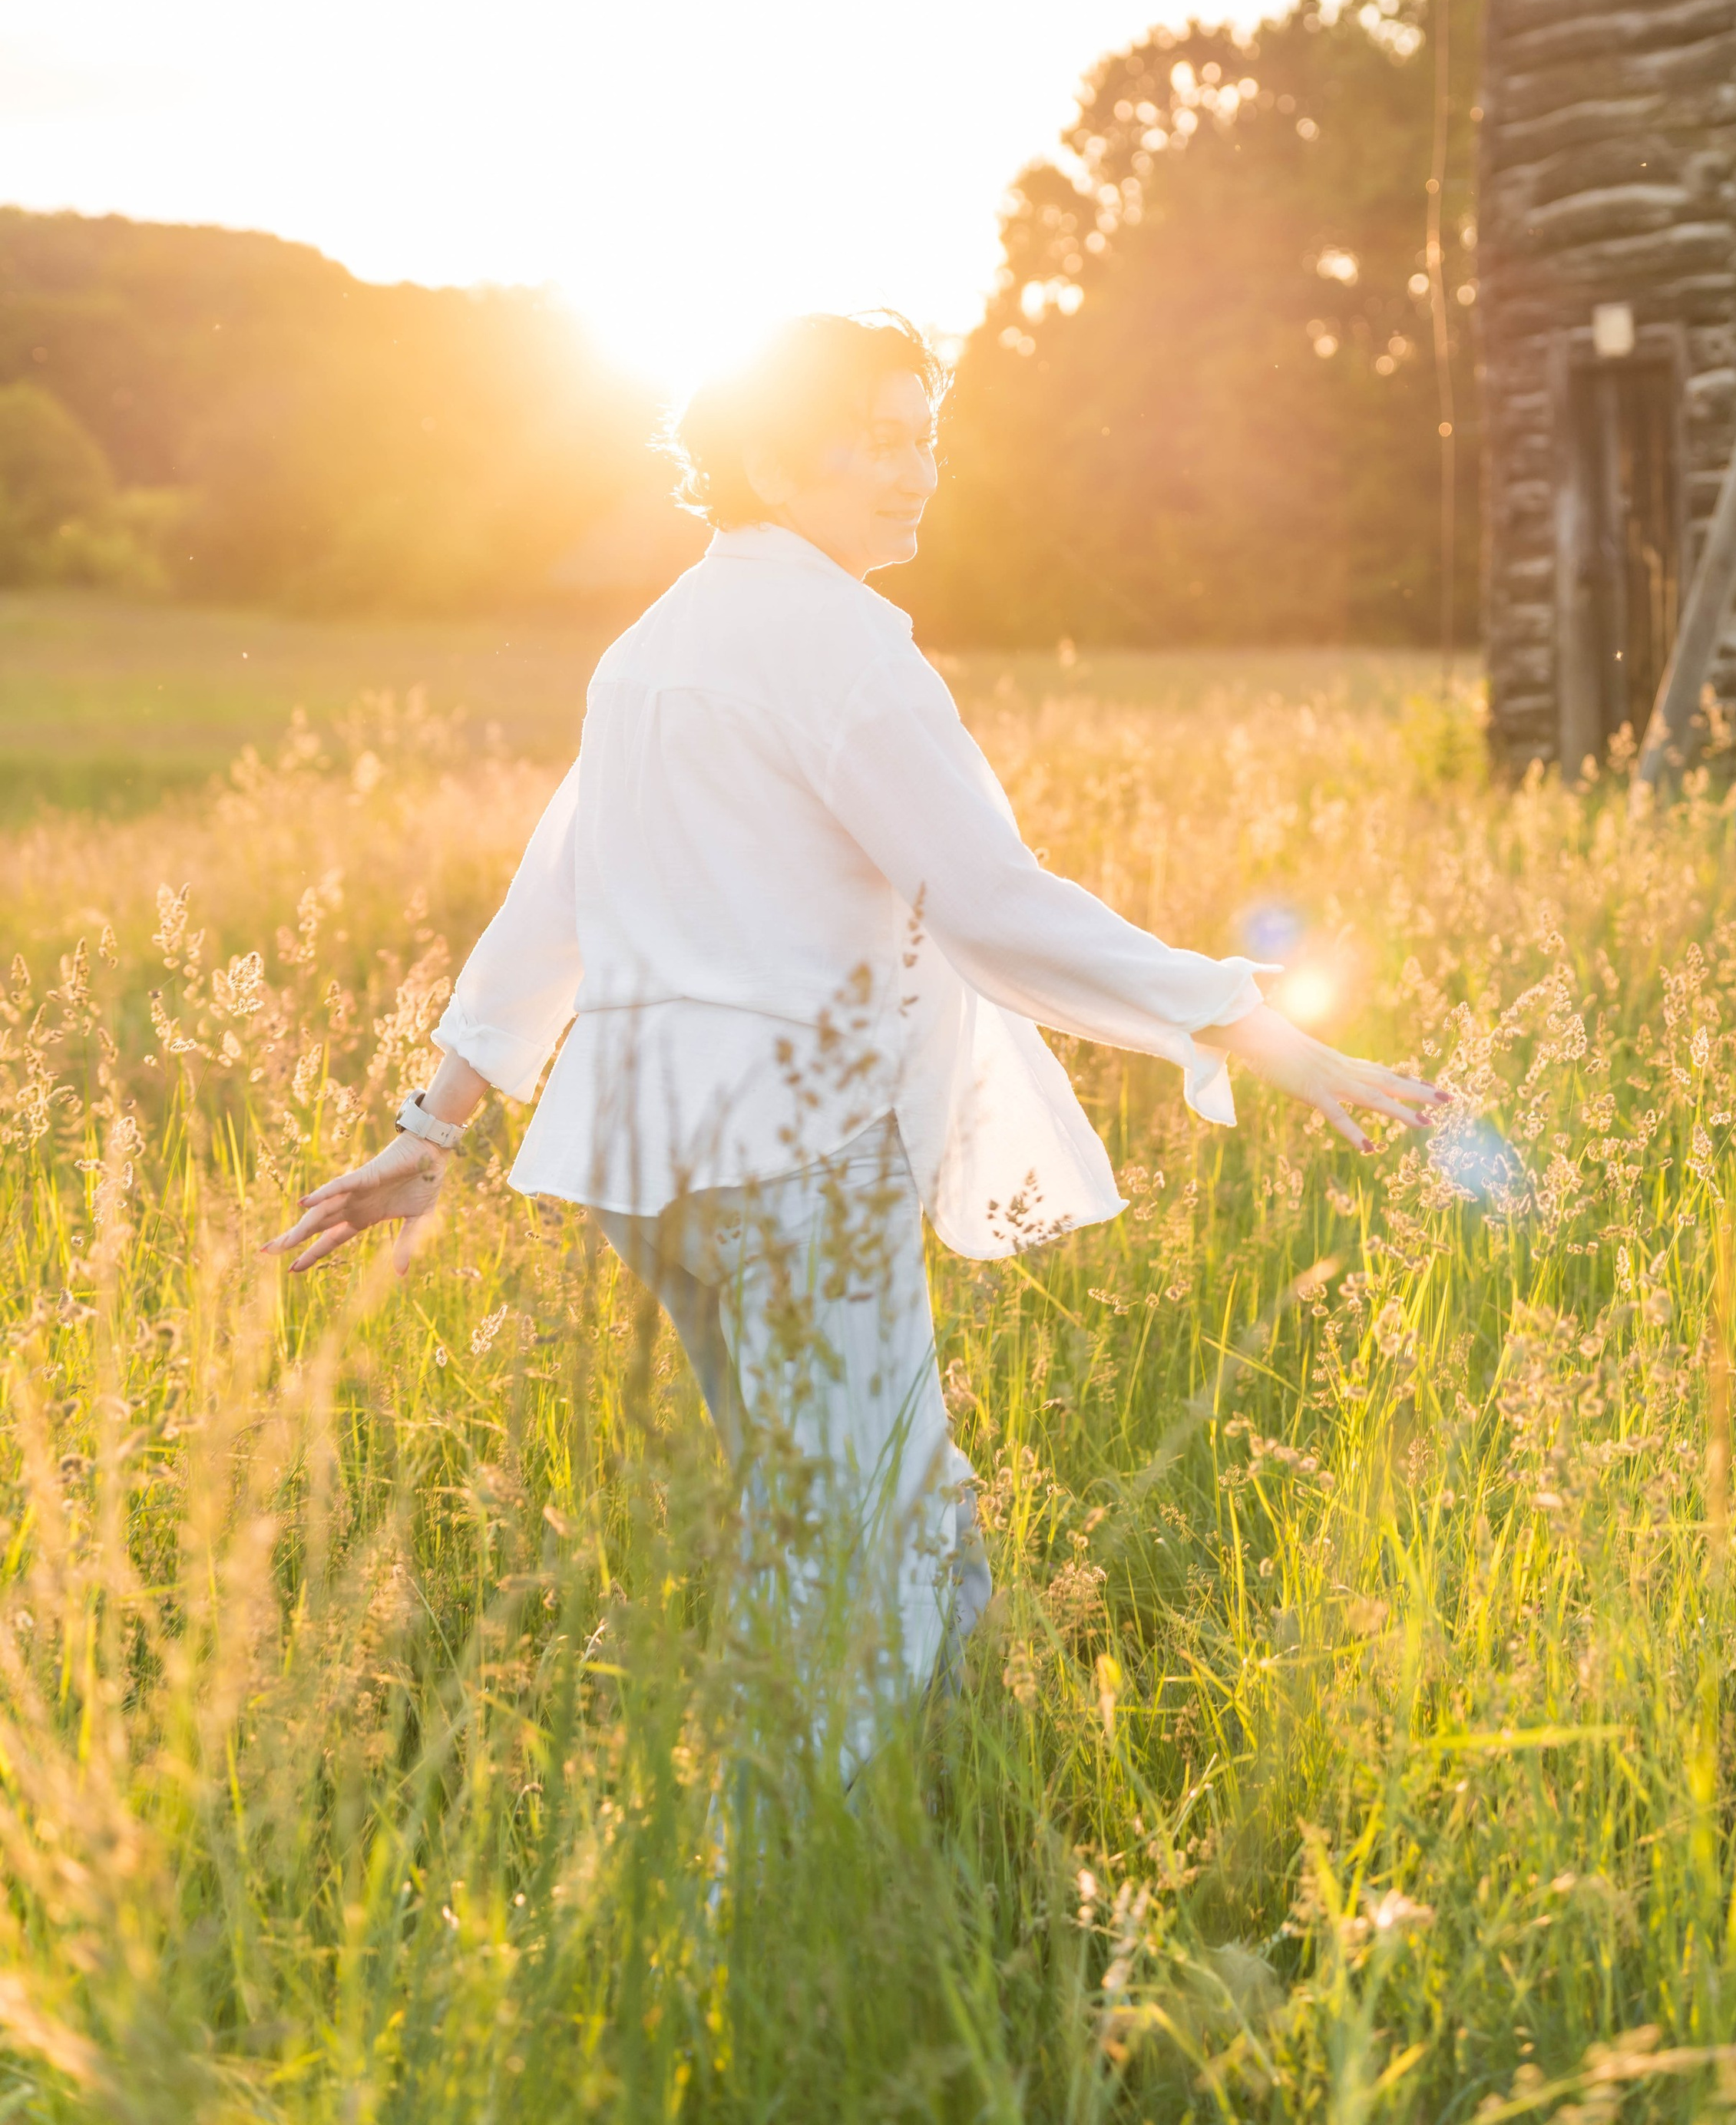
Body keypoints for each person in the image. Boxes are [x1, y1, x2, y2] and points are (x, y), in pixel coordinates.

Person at [266, 312, 1436, 1740]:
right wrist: (1264, 1031)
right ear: (769, 455)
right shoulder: (842, 648)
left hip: (652, 1167)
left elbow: (552, 900)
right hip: (792, 1154)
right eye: (873, 441)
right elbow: (995, 904)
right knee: (850, 1548)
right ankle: (775, 1894)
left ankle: (973, 1802)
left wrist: (432, 1127)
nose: (914, 471)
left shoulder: (650, 645)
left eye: (925, 437)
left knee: (872, 1499)